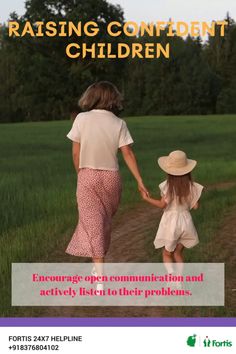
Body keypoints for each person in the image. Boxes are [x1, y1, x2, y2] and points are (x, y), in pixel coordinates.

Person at [66, 81, 148, 283]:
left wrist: (81, 175)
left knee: (93, 224)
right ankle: (99, 270)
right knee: (102, 223)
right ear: (113, 98)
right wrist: (140, 181)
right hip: (112, 178)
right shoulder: (119, 123)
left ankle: (99, 274)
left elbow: (76, 153)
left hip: (87, 175)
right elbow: (127, 153)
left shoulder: (81, 119)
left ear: (91, 97)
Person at [141, 150, 203, 274]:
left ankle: (171, 278)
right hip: (186, 222)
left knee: (167, 253)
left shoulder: (167, 186)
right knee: (178, 253)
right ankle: (179, 281)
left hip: (171, 223)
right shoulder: (192, 186)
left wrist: (146, 198)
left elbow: (162, 204)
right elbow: (195, 206)